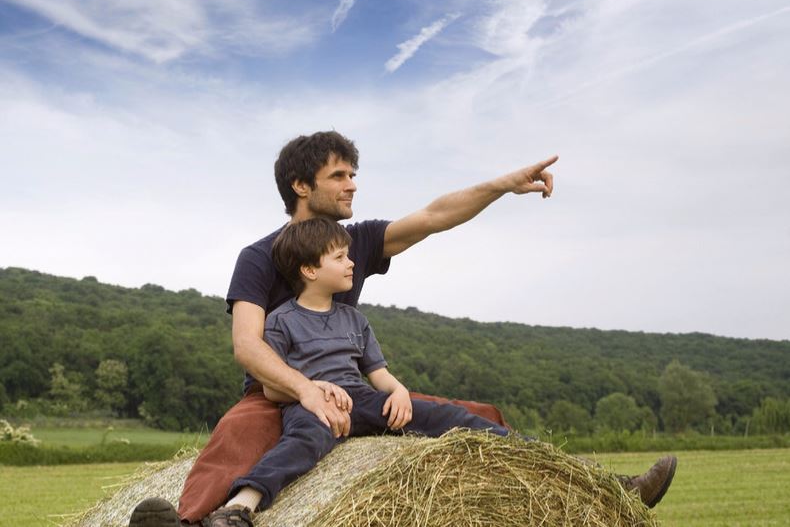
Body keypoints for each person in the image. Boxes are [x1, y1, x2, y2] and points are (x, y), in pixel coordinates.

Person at [129, 131, 676, 527]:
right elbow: (247, 345)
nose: (352, 185)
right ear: (301, 185)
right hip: (280, 391)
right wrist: (304, 390)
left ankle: (602, 489)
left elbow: (435, 216)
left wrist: (503, 186)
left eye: (352, 174)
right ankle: (191, 522)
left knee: (475, 417)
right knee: (235, 440)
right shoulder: (258, 256)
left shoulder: (358, 240)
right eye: (339, 176)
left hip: (357, 384)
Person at [206, 217, 532, 525]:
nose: (351, 263)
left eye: (349, 255)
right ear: (309, 269)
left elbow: (379, 375)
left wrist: (400, 391)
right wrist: (313, 388)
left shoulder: (355, 320)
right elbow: (272, 389)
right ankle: (239, 506)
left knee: (440, 415)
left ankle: (523, 448)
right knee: (301, 444)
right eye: (340, 257)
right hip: (310, 406)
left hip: (361, 398)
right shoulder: (280, 321)